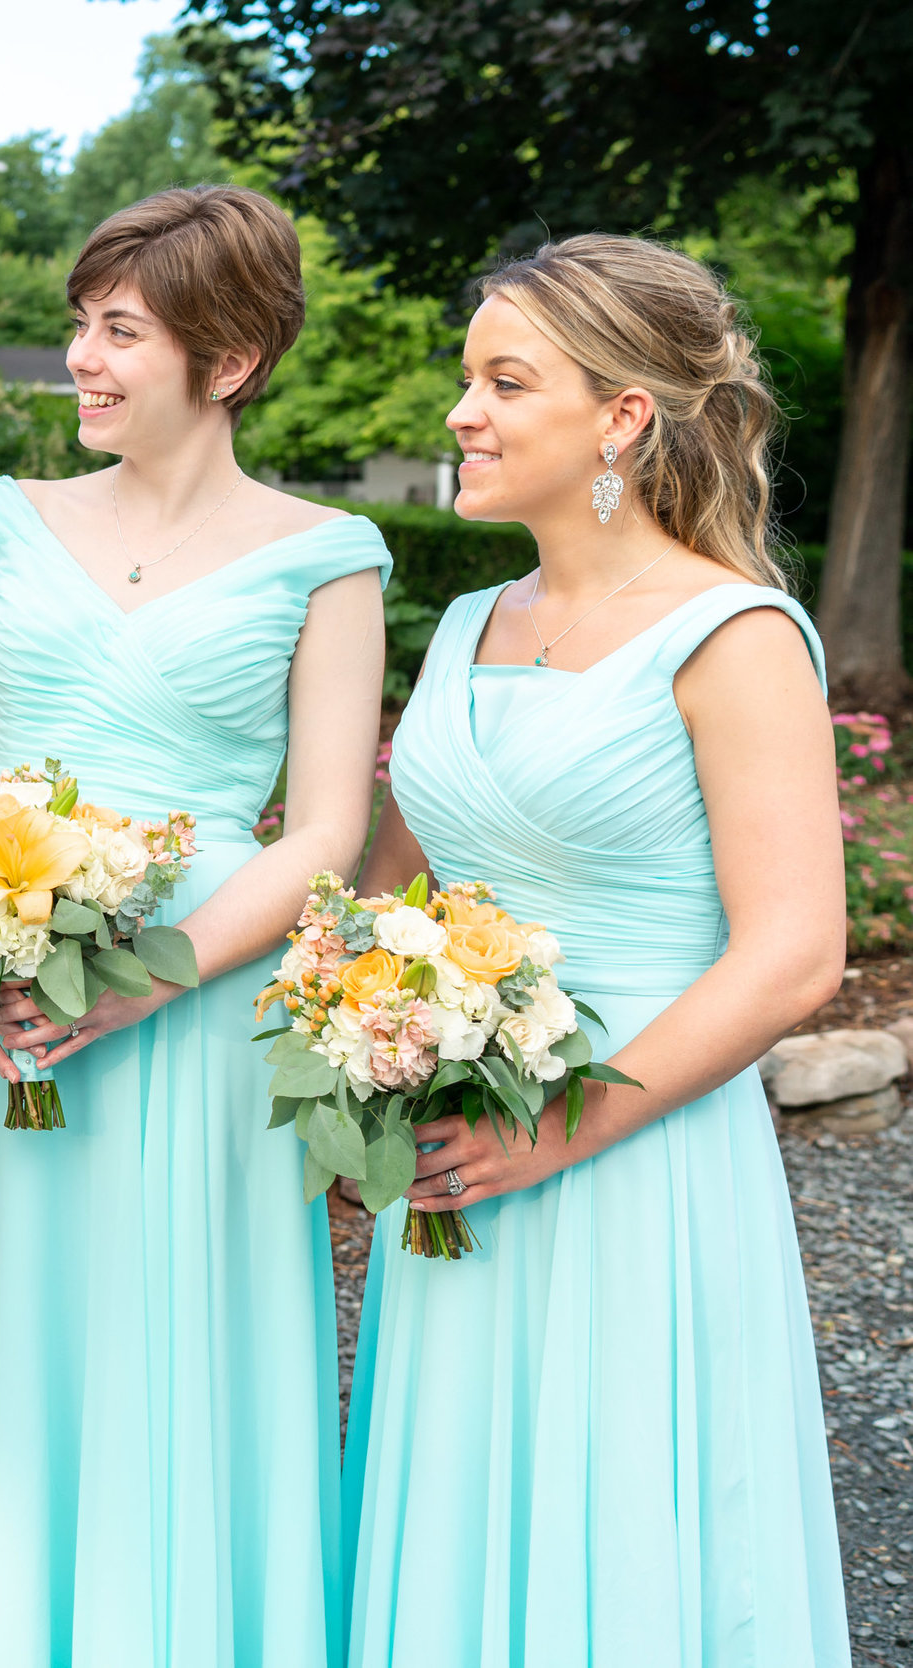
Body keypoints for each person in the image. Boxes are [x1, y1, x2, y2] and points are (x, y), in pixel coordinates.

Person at [0, 185, 391, 1667]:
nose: (81, 363)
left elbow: (324, 829)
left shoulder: (331, 552)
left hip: (201, 1009)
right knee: (10, 1351)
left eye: (120, 333)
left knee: (186, 1352)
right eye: (80, 329)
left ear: (225, 362)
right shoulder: (1, 521)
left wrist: (141, 984)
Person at [342, 233, 847, 1666]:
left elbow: (798, 954)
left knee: (628, 1523)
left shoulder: (734, 634)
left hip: (634, 1152)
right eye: (467, 381)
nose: (463, 414)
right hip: (452, 1143)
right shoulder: (460, 627)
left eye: (506, 381)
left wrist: (563, 1126)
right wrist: (354, 1036)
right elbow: (392, 890)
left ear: (622, 416)